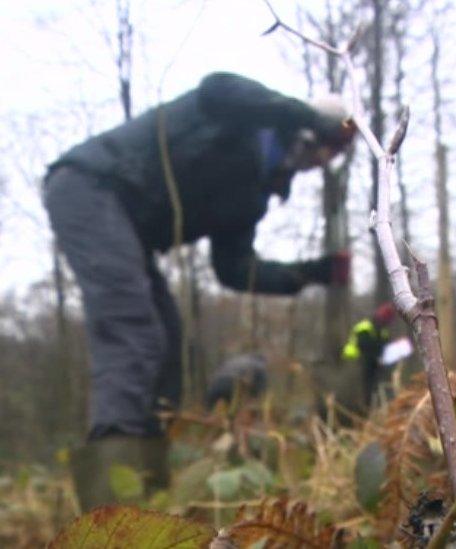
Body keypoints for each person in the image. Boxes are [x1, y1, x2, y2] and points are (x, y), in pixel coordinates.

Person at [42, 72, 355, 510]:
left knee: (169, 342)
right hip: (91, 187)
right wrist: (307, 114)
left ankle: (154, 494)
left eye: (336, 154)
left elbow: (234, 269)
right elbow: (217, 89)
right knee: (133, 330)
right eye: (331, 144)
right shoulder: (242, 121)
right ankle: (111, 511)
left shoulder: (254, 193)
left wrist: (314, 272)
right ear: (307, 131)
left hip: (127, 226)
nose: (326, 158)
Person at [342, 303, 396, 408]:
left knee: (373, 388)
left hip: (371, 364)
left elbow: (383, 347)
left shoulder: (383, 331)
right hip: (354, 361)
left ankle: (371, 406)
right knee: (362, 388)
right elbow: (364, 346)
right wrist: (377, 356)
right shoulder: (364, 328)